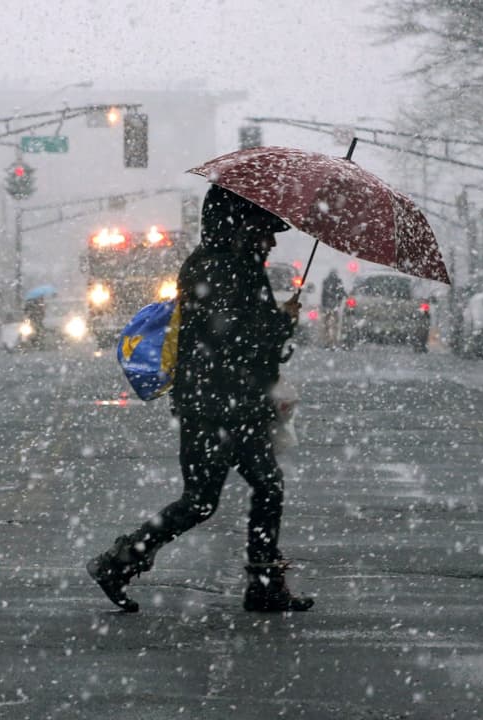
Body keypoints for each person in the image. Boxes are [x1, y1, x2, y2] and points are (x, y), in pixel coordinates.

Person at [87, 185, 314, 613]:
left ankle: (261, 583)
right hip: (218, 405)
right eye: (265, 230)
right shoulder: (225, 269)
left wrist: (275, 326)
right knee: (213, 498)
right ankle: (118, 563)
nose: (272, 241)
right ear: (241, 229)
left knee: (248, 490)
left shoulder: (224, 265)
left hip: (224, 402)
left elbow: (242, 335)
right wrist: (280, 323)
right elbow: (235, 340)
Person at [319, 269, 346, 347]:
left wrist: (323, 305)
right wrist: (339, 302)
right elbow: (341, 293)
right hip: (334, 306)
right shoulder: (338, 281)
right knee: (334, 325)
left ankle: (328, 341)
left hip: (327, 306)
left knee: (327, 325)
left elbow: (323, 294)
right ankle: (333, 341)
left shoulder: (326, 281)